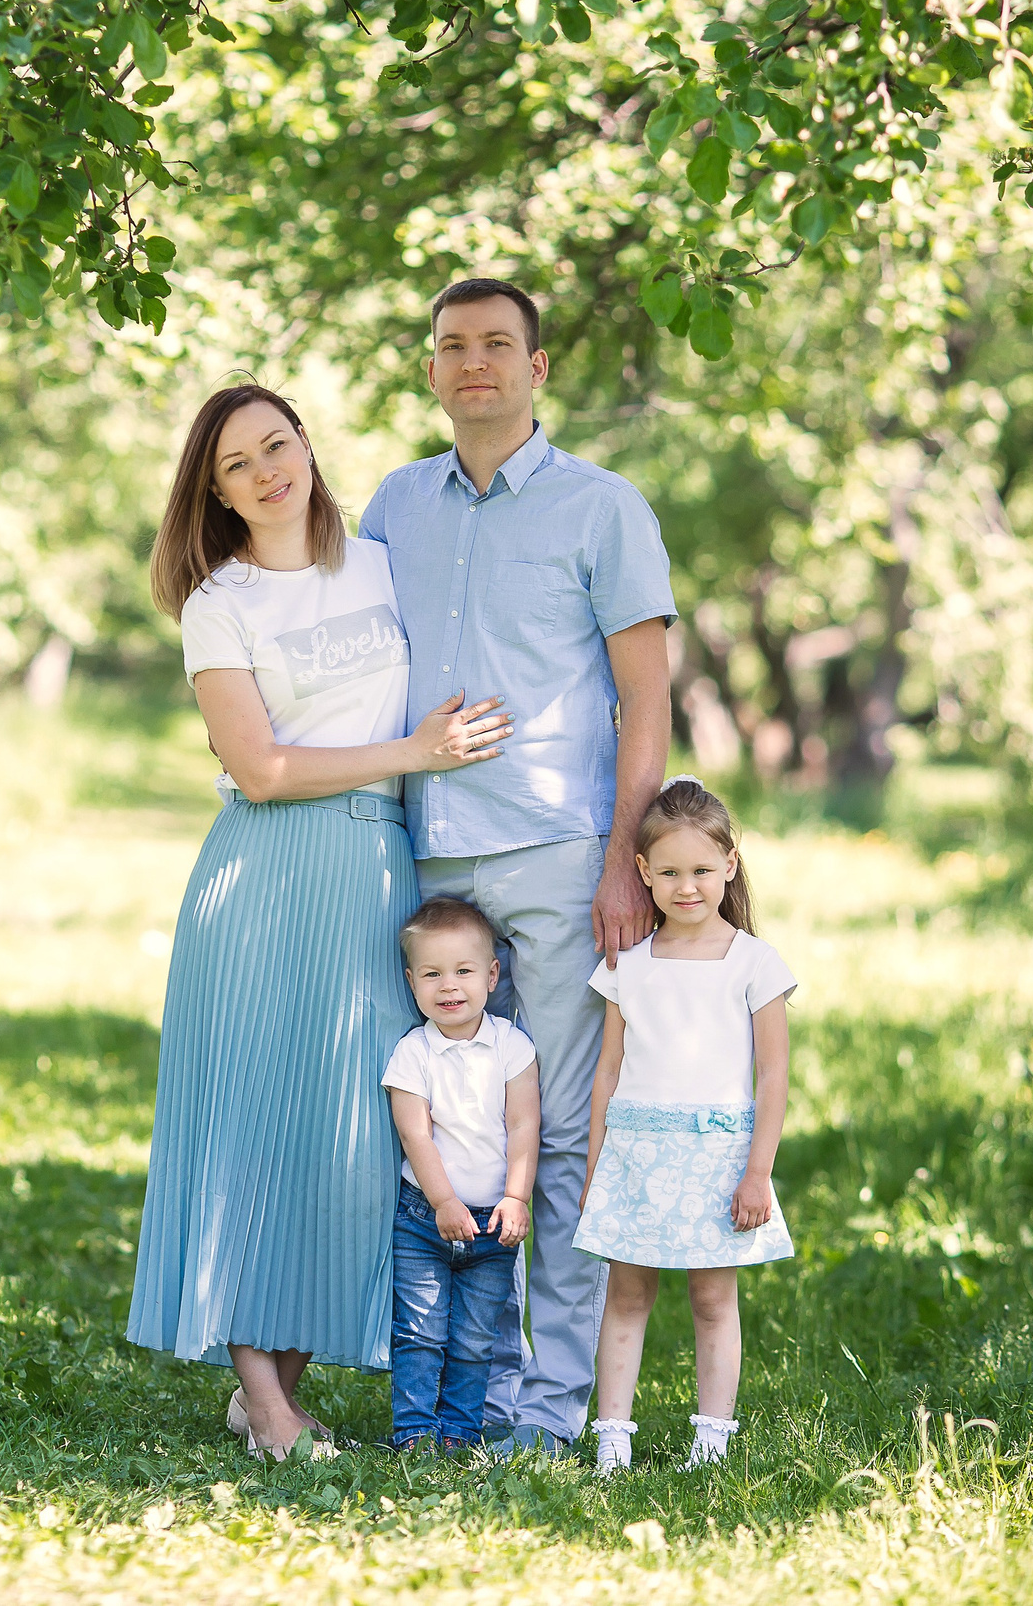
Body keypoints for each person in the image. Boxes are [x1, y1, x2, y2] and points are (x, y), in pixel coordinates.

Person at [124, 382, 515, 1461]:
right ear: (214, 491)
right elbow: (258, 766)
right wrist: (414, 754)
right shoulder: (221, 601)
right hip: (266, 871)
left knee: (346, 1135)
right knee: (254, 1123)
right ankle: (274, 1411)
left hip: (373, 866)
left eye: (277, 445)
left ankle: (266, 1393)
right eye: (237, 464)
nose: (266, 472)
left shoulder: (380, 563)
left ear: (307, 447)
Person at [357, 277, 676, 1456]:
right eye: (452, 345)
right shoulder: (393, 505)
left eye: (498, 344)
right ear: (431, 370)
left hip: (555, 851)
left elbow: (645, 694)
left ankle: (541, 1418)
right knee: (434, 1125)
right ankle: (457, 1395)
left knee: (560, 1145)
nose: (473, 361)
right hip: (424, 850)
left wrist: (623, 865)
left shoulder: (603, 509)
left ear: (539, 369)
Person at [576, 778, 797, 1476]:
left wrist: (757, 1169)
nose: (687, 885)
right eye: (669, 871)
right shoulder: (627, 968)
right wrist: (595, 1167)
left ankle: (712, 1440)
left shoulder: (755, 964)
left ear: (730, 862)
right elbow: (606, 1073)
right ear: (643, 872)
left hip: (720, 1158)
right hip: (637, 1155)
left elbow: (773, 1076)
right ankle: (612, 1435)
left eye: (702, 869)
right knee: (628, 1292)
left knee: (711, 1293)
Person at [381, 896, 540, 1453]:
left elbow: (523, 1127)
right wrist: (444, 1202)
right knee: (420, 1331)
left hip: (494, 1223)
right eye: (432, 974)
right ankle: (416, 1431)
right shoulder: (412, 1053)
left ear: (493, 975)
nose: (449, 986)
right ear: (412, 981)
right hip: (425, 1218)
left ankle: (460, 1432)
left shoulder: (512, 1047)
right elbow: (415, 1135)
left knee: (477, 1337)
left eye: (464, 971)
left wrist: (517, 1197)